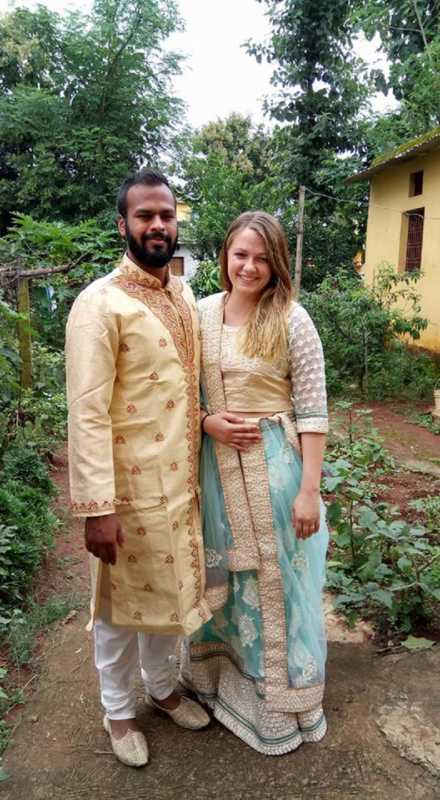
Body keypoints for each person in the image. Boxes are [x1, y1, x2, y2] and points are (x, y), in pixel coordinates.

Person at [66, 168, 211, 768]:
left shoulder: (182, 296)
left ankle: (161, 688)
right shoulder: (99, 304)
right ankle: (118, 710)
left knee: (168, 596)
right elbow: (87, 412)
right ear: (123, 224)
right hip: (125, 495)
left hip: (179, 487)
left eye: (167, 215)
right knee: (119, 609)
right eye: (146, 215)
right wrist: (96, 508)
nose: (158, 225)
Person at [181, 211, 329, 755]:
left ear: (277, 264)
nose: (250, 266)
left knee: (276, 580)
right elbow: (176, 392)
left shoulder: (292, 319)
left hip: (274, 470)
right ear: (225, 255)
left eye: (262, 258)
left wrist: (309, 489)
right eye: (241, 254)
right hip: (212, 472)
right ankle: (218, 683)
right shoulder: (198, 315)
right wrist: (205, 422)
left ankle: (280, 702)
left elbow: (312, 411)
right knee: (218, 576)